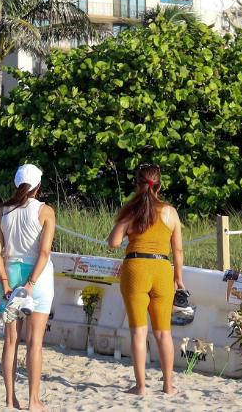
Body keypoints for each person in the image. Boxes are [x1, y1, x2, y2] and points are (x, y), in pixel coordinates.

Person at [108, 163, 186, 397]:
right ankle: (168, 385)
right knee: (164, 333)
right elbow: (178, 250)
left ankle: (141, 387)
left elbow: (113, 242)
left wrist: (124, 221)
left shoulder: (131, 210)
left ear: (137, 184)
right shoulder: (170, 212)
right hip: (162, 269)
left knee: (138, 332)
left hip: (135, 269)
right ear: (159, 185)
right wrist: (178, 279)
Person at [0, 163, 56, 411]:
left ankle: (9, 399)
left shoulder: (2, 212)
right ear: (38, 186)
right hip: (36, 279)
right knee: (35, 343)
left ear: (16, 184)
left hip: (9, 273)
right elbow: (45, 252)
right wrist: (30, 284)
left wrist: (6, 283)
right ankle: (33, 401)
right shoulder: (45, 211)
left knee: (10, 342)